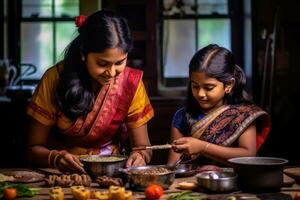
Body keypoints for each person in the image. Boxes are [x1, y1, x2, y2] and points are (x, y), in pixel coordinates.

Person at [26, 10, 154, 174]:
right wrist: (56, 158)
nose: (112, 72)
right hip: (62, 173)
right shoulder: (55, 79)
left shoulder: (131, 83)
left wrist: (140, 156)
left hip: (112, 173)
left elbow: (144, 148)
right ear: (83, 53)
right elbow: (33, 149)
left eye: (120, 62)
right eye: (102, 63)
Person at [167, 44, 270, 166]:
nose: (200, 93)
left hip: (234, 181)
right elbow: (173, 166)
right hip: (189, 182)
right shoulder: (182, 116)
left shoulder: (244, 115)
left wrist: (203, 147)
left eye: (208, 88)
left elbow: (248, 155)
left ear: (229, 85)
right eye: (195, 86)